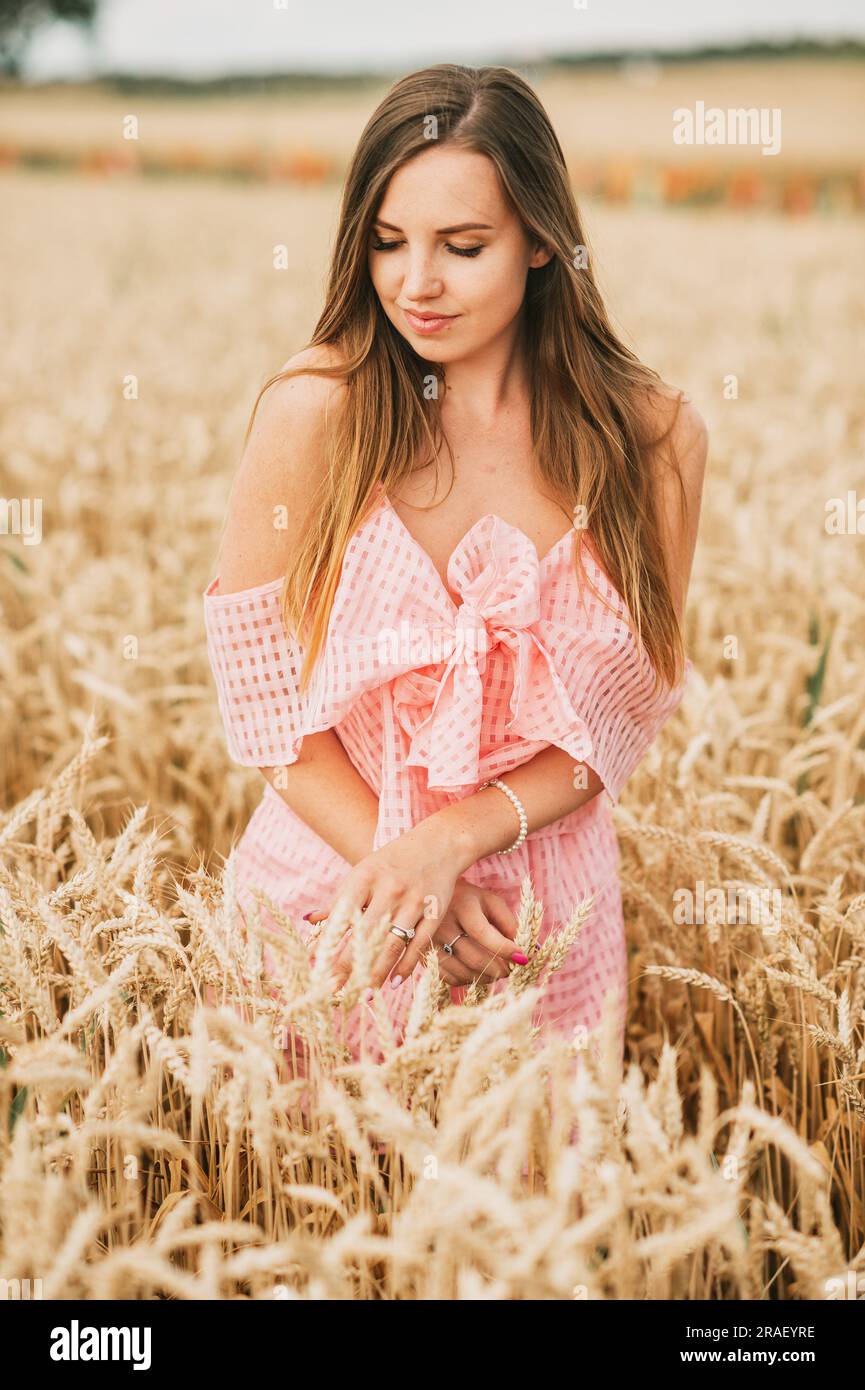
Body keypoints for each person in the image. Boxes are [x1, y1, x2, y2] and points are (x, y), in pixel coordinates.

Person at [202, 63, 707, 1075]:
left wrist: (451, 845)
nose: (414, 283)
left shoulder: (653, 440)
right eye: (386, 243)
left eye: (461, 247)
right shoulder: (318, 414)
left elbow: (616, 719)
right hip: (324, 919)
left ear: (539, 243)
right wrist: (397, 868)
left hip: (536, 935)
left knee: (537, 1216)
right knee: (305, 1201)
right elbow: (261, 707)